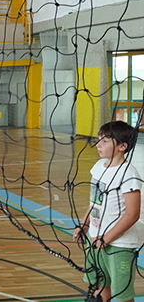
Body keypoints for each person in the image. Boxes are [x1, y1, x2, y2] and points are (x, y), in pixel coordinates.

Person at [73, 121, 141, 302]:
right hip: (95, 240)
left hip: (119, 246)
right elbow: (95, 202)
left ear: (122, 146)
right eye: (98, 140)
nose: (98, 145)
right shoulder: (98, 167)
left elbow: (133, 215)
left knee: (122, 295)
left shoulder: (128, 174)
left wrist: (106, 238)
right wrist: (84, 224)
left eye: (104, 141)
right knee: (100, 287)